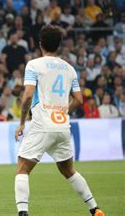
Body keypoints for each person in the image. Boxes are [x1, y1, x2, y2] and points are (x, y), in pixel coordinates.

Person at [14, 25, 104, 216]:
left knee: (22, 169)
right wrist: (63, 110)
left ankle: (22, 213)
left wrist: (22, 122)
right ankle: (94, 208)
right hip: (63, 126)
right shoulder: (70, 69)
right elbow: (79, 100)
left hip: (41, 124)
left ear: (40, 45)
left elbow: (28, 95)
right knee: (69, 170)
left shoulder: (34, 65)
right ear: (60, 45)